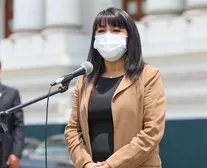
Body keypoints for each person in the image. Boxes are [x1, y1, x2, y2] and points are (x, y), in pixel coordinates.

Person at [65, 7, 166, 168]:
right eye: (101, 30)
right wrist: (85, 164)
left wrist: (111, 165)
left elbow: (152, 132)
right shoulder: (85, 80)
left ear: (129, 37)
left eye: (116, 30)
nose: (107, 36)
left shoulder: (148, 76)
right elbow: (73, 130)